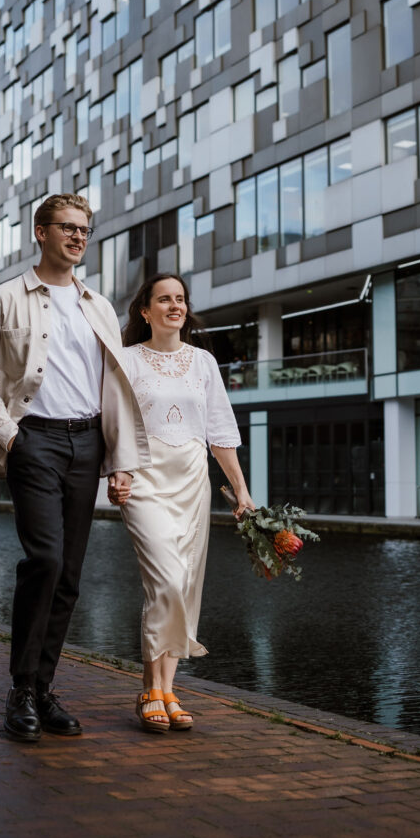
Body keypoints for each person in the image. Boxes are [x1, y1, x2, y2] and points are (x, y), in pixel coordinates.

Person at [0, 194, 150, 742]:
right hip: (34, 441)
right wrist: (9, 435)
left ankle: (43, 690)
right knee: (44, 559)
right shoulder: (3, 299)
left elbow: (115, 388)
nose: (77, 238)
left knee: (68, 574)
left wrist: (120, 460)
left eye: (85, 231)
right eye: (67, 228)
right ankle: (20, 689)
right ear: (40, 233)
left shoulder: (100, 306)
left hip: (87, 442)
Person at [109, 273, 255, 733]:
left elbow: (221, 432)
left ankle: (163, 690)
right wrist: (118, 471)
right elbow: (114, 422)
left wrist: (242, 493)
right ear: (144, 311)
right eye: (164, 299)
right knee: (167, 579)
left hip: (193, 480)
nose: (175, 305)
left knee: (184, 585)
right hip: (145, 479)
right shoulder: (127, 360)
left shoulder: (204, 363)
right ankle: (154, 688)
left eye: (181, 299)